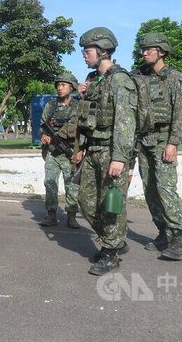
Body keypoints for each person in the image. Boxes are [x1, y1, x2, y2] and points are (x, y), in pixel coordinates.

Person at [75, 27, 137, 276]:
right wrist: (80, 147)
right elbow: (85, 118)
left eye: (87, 50)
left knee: (111, 205)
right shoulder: (93, 80)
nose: (84, 55)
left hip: (112, 151)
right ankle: (115, 240)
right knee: (86, 200)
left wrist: (120, 158)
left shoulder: (120, 80)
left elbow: (125, 121)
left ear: (103, 51)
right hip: (93, 149)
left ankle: (110, 252)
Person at [135, 33, 182, 260]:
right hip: (144, 142)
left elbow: (181, 113)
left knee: (166, 189)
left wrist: (173, 143)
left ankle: (178, 238)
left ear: (162, 52)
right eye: (143, 49)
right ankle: (162, 232)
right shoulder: (141, 78)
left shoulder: (175, 78)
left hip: (163, 141)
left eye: (149, 49)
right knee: (150, 190)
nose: (144, 53)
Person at [38, 72, 82, 229]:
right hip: (52, 151)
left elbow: (82, 132)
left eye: (63, 85)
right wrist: (43, 136)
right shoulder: (50, 105)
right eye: (58, 85)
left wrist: (80, 150)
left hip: (70, 151)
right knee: (50, 182)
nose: (60, 88)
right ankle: (51, 215)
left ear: (71, 87)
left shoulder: (78, 106)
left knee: (71, 185)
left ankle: (71, 216)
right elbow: (42, 125)